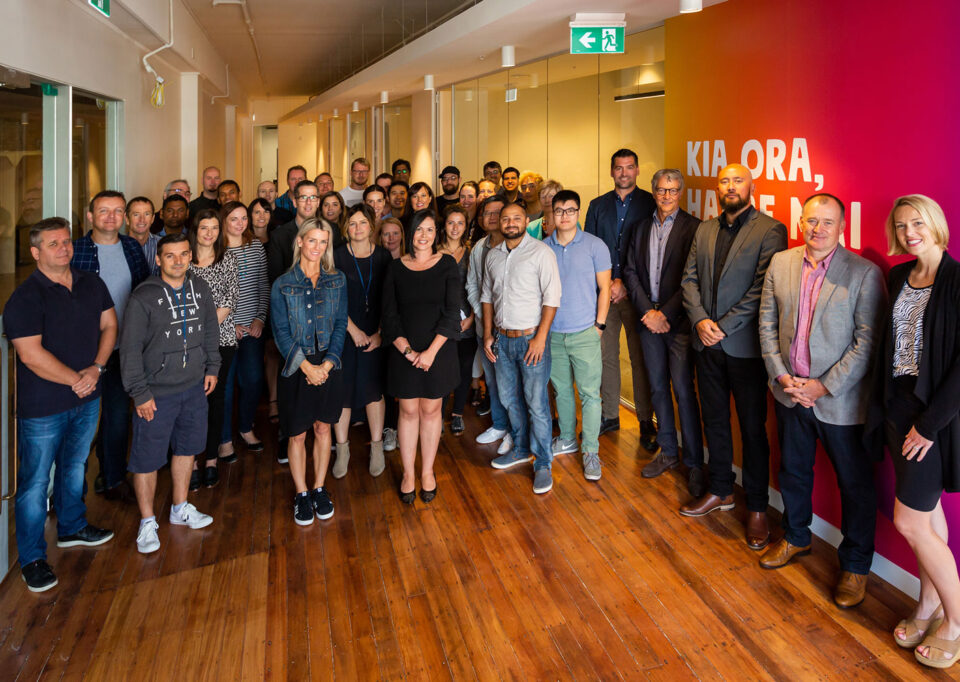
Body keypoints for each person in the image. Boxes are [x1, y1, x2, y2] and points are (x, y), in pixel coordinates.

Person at [757, 193, 884, 608]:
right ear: (801, 221)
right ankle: (796, 537)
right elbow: (767, 323)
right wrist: (782, 376)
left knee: (855, 487)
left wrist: (823, 386)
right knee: (793, 472)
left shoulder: (864, 274)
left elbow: (868, 344)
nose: (818, 229)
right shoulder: (782, 263)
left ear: (842, 227)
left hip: (840, 401)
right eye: (812, 220)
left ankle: (855, 567)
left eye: (827, 222)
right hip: (789, 392)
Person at [5, 217, 117, 592]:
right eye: (53, 244)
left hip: (87, 398)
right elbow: (31, 355)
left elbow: (110, 326)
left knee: (75, 466)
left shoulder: (91, 282)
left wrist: (97, 369)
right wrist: (79, 379)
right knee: (35, 483)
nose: (63, 248)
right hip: (44, 405)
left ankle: (71, 527)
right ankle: (33, 558)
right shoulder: (25, 297)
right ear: (35, 252)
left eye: (66, 242)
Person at [679, 163, 787, 550]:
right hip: (706, 344)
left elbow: (763, 289)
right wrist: (701, 321)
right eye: (724, 180)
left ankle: (757, 507)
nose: (730, 186)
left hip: (744, 350)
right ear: (717, 188)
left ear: (751, 187)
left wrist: (721, 325)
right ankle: (721, 489)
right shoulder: (705, 229)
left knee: (753, 431)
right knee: (715, 420)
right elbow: (688, 279)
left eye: (737, 180)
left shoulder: (770, 230)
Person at [873, 195, 960, 668]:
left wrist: (927, 427)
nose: (909, 233)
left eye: (917, 223)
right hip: (897, 409)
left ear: (935, 224)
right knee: (927, 519)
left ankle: (956, 620)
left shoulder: (958, 280)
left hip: (932, 418)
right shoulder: (896, 276)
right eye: (901, 225)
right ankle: (928, 605)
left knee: (908, 522)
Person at [120, 233, 220, 554]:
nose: (178, 261)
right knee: (147, 459)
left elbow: (210, 332)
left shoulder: (200, 289)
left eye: (183, 254)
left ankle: (180, 508)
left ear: (190, 255)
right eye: (170, 256)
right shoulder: (143, 297)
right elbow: (131, 350)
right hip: (155, 393)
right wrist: (140, 392)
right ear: (159, 259)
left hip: (193, 388)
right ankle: (148, 521)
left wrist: (213, 367)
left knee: (187, 449)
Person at [623, 169, 705, 496]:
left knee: (684, 391)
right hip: (648, 320)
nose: (666, 196)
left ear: (680, 192)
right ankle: (669, 451)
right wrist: (647, 312)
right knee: (657, 388)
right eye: (661, 190)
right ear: (653, 191)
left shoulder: (694, 228)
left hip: (679, 321)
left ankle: (696, 463)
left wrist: (664, 313)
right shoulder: (641, 227)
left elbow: (692, 277)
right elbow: (629, 270)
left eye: (672, 190)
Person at [72, 190, 150, 501]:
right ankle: (68, 490)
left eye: (118, 211)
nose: (111, 217)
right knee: (80, 422)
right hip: (84, 351)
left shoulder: (131, 246)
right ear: (90, 216)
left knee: (118, 418)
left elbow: (144, 291)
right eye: (104, 211)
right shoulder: (76, 250)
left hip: (124, 348)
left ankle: (113, 477)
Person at [271, 218, 347, 525]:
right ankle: (301, 493)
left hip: (328, 364)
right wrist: (307, 367)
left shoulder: (337, 279)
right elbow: (281, 333)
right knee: (297, 433)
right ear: (300, 242)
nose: (317, 247)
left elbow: (341, 324)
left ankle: (319, 487)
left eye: (323, 241)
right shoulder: (282, 284)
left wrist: (326, 365)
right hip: (296, 366)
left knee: (323, 428)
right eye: (312, 240)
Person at [482, 203, 561, 494]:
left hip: (531, 340)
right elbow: (487, 297)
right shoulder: (492, 255)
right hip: (502, 339)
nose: (511, 223)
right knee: (507, 397)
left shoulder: (541, 252)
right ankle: (520, 447)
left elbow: (552, 298)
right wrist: (488, 334)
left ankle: (542, 463)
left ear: (526, 222)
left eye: (516, 218)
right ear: (499, 223)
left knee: (536, 402)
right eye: (506, 218)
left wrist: (541, 338)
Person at [382, 209, 460, 503]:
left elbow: (452, 313)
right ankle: (408, 473)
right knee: (407, 411)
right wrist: (408, 351)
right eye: (418, 230)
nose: (424, 236)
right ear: (409, 234)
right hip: (404, 352)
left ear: (435, 233)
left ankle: (427, 471)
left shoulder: (447, 264)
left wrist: (429, 353)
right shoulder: (395, 268)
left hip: (437, 351)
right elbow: (389, 316)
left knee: (430, 411)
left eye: (429, 230)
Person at [584, 150, 657, 446]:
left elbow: (652, 249)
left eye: (629, 168)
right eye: (619, 168)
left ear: (637, 170)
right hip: (603, 293)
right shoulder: (597, 205)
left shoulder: (650, 204)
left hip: (638, 293)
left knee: (640, 359)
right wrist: (608, 284)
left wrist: (624, 282)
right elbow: (589, 246)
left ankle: (645, 420)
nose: (624, 173)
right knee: (605, 357)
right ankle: (610, 415)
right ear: (611, 171)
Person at [544, 190, 609, 481]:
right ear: (552, 215)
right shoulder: (543, 248)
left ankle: (591, 451)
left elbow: (605, 289)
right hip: (554, 333)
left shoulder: (595, 246)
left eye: (571, 210)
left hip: (585, 331)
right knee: (561, 391)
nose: (565, 216)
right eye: (559, 211)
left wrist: (599, 326)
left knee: (590, 395)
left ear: (578, 213)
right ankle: (568, 438)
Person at [332, 204, 392, 477]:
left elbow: (390, 301)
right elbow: (331, 299)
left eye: (362, 223)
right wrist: (353, 330)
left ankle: (377, 446)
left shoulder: (383, 257)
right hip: (344, 332)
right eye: (352, 224)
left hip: (375, 334)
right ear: (346, 228)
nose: (357, 228)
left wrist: (380, 332)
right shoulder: (336, 257)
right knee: (342, 391)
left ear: (372, 226)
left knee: (373, 391)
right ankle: (342, 448)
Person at [187, 209, 238, 489]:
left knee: (215, 399)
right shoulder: (184, 258)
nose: (209, 233)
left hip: (222, 339)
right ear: (195, 230)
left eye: (214, 227)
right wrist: (194, 333)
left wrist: (204, 331)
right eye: (204, 227)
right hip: (184, 341)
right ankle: (190, 461)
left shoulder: (227, 258)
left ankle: (210, 461)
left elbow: (230, 299)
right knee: (191, 402)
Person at [219, 201, 269, 460]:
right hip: (223, 331)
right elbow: (211, 296)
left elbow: (263, 286)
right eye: (234, 219)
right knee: (224, 387)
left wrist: (259, 319)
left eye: (243, 218)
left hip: (252, 330)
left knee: (252, 381)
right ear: (223, 221)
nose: (240, 224)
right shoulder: (215, 251)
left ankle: (245, 428)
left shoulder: (255, 247)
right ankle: (224, 439)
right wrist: (230, 325)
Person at [467, 196, 514, 453]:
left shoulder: (517, 245)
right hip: (484, 328)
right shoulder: (478, 249)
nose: (493, 217)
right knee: (494, 380)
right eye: (488, 213)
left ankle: (514, 431)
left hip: (512, 328)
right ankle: (499, 424)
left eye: (499, 212)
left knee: (512, 382)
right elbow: (472, 284)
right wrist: (482, 314)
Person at [438, 204, 477, 436]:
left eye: (460, 223)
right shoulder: (434, 250)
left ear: (466, 226)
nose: (455, 227)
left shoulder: (473, 252)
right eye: (451, 222)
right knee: (443, 368)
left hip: (466, 320)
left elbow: (478, 287)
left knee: (464, 368)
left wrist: (472, 317)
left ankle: (458, 414)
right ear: (444, 225)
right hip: (443, 320)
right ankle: (439, 412)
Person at [268, 179, 321, 283]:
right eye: (303, 197)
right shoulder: (279, 236)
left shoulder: (331, 231)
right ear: (295, 202)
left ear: (318, 202)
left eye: (313, 197)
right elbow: (276, 278)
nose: (308, 202)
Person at [126, 196, 160, 276]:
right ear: (127, 219)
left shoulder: (163, 244)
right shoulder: (118, 246)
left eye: (147, 214)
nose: (142, 220)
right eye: (136, 215)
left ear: (152, 218)